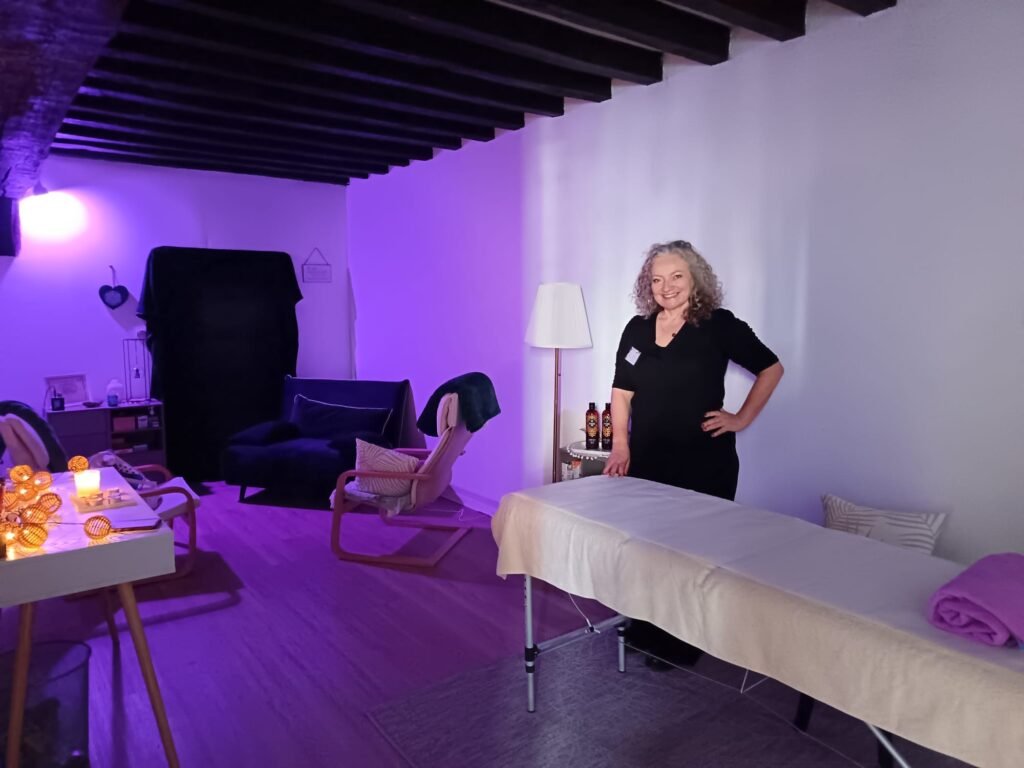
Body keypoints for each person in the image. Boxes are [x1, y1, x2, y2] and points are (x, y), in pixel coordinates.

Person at [603, 240, 784, 666]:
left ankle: (684, 641)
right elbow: (622, 392)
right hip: (648, 460)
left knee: (693, 553)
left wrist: (741, 418)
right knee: (649, 548)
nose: (666, 287)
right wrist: (620, 444)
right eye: (657, 279)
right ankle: (647, 625)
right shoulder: (637, 329)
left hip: (703, 463)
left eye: (676, 276)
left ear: (695, 278)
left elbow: (771, 368)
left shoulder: (718, 325)